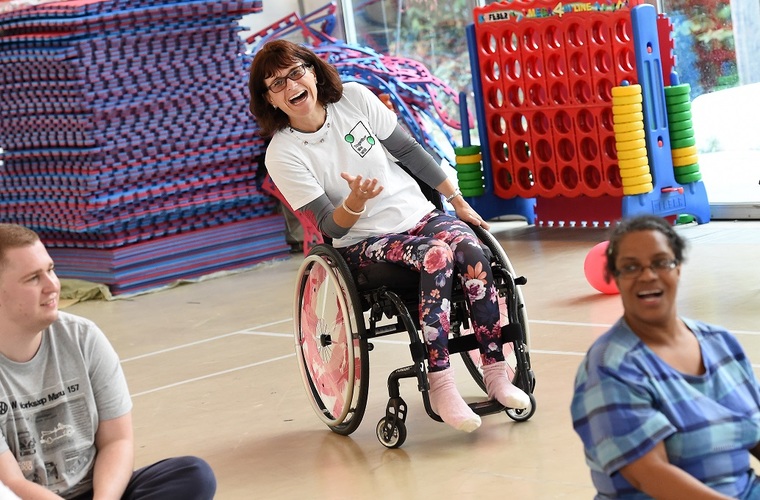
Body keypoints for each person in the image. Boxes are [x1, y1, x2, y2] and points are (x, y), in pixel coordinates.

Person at [248, 39, 530, 433]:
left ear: (313, 72)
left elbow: (410, 151)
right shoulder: (282, 153)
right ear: (269, 101)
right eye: (275, 83)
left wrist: (457, 200)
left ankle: (496, 371)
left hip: (417, 215)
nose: (290, 85)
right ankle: (440, 381)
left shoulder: (355, 99)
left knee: (470, 246)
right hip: (362, 243)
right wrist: (356, 202)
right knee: (436, 256)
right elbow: (329, 226)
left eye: (296, 72)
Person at [0, 224, 217, 499]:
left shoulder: (83, 337)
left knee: (192, 474)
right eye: (33, 278)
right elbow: (9, 482)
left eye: (51, 269)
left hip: (98, 492)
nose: (52, 285)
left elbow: (118, 440)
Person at [570, 215, 760, 499]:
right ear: (615, 278)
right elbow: (650, 475)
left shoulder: (719, 342)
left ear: (678, 268)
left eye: (661, 262)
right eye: (631, 267)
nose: (648, 275)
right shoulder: (610, 366)